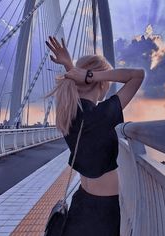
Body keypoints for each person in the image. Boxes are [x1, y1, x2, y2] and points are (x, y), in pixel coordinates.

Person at [45, 36, 145, 236]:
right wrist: (92, 75)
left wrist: (71, 69)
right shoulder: (101, 115)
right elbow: (138, 75)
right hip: (104, 211)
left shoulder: (69, 114)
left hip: (82, 199)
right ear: (100, 82)